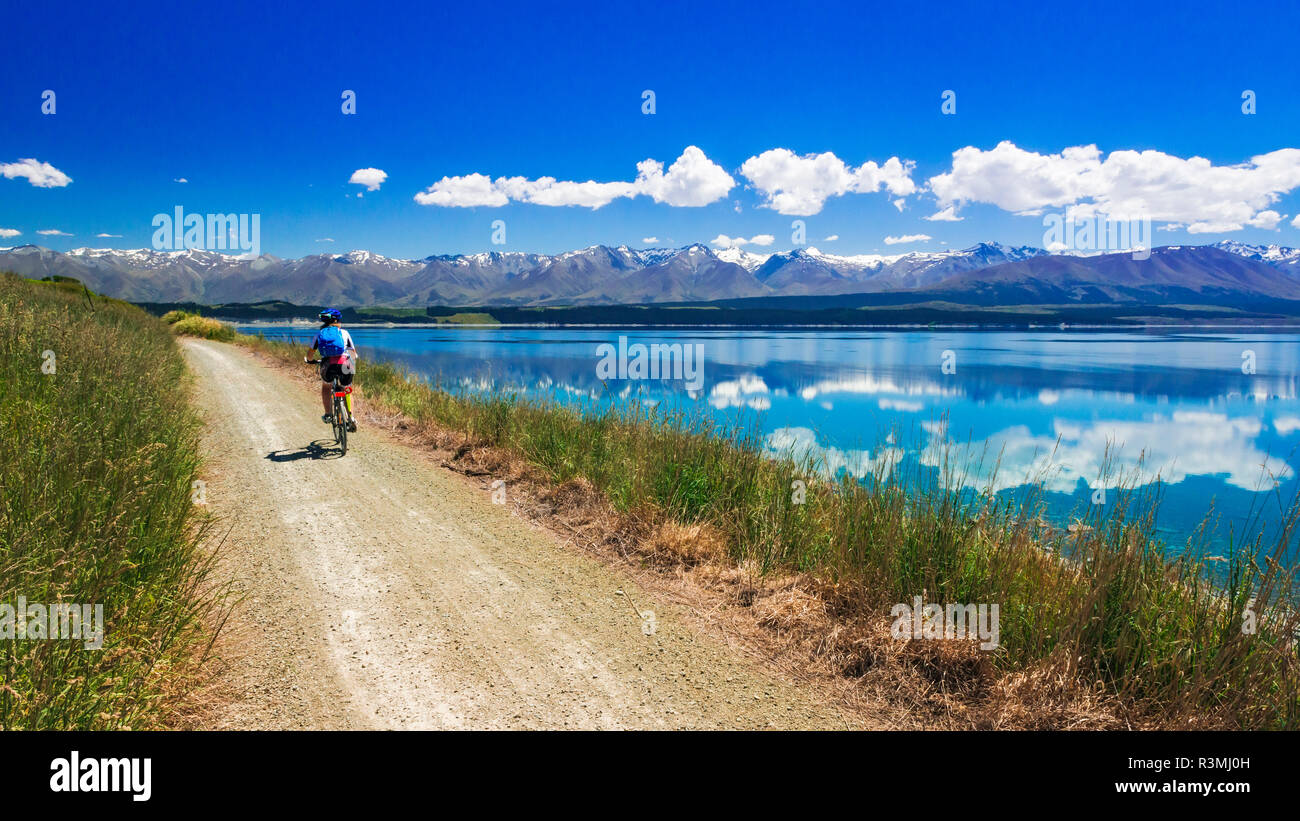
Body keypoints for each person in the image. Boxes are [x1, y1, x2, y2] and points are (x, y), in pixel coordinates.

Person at [305, 308, 357, 431]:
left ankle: (328, 414)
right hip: (345, 364)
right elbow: (353, 353)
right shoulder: (344, 333)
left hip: (328, 365)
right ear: (337, 321)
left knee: (326, 387)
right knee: (347, 389)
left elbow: (310, 354)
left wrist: (309, 360)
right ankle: (351, 417)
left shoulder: (319, 334)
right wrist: (353, 359)